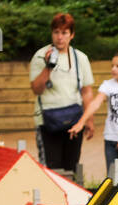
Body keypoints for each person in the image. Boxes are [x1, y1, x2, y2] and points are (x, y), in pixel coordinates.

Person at [29, 12, 95, 174]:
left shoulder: (80, 58)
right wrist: (48, 66)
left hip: (74, 120)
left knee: (71, 168)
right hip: (47, 121)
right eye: (56, 32)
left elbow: (86, 91)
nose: (60, 37)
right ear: (52, 33)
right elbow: (36, 89)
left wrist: (89, 120)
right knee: (51, 170)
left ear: (72, 35)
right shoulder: (39, 56)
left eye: (64, 33)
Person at [70, 52, 118, 168]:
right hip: (111, 138)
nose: (113, 69)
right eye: (112, 66)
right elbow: (95, 104)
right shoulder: (108, 85)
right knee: (112, 178)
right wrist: (81, 122)